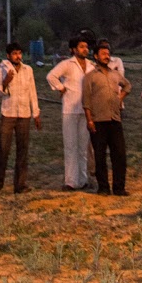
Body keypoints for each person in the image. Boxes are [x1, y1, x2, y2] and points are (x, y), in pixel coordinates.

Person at [0, 42, 41, 195]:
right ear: (8, 55)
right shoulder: (2, 69)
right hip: (8, 113)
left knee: (22, 150)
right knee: (3, 149)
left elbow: (32, 92)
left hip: (24, 114)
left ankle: (20, 184)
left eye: (19, 53)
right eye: (14, 53)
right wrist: (6, 81)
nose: (18, 56)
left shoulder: (28, 70)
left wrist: (36, 113)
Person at [82, 41, 131, 196]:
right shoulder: (90, 77)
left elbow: (128, 86)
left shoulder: (115, 74)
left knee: (119, 154)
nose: (106, 56)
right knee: (100, 155)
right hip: (98, 120)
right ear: (96, 56)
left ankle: (119, 187)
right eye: (103, 54)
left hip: (115, 119)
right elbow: (86, 100)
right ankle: (103, 187)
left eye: (108, 54)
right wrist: (89, 120)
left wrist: (120, 98)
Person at [47, 36, 94, 190]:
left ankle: (83, 179)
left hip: (86, 110)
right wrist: (61, 88)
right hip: (70, 110)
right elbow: (51, 76)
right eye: (81, 46)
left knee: (83, 147)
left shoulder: (91, 66)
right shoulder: (67, 64)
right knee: (71, 146)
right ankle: (71, 181)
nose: (85, 49)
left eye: (86, 46)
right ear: (73, 49)